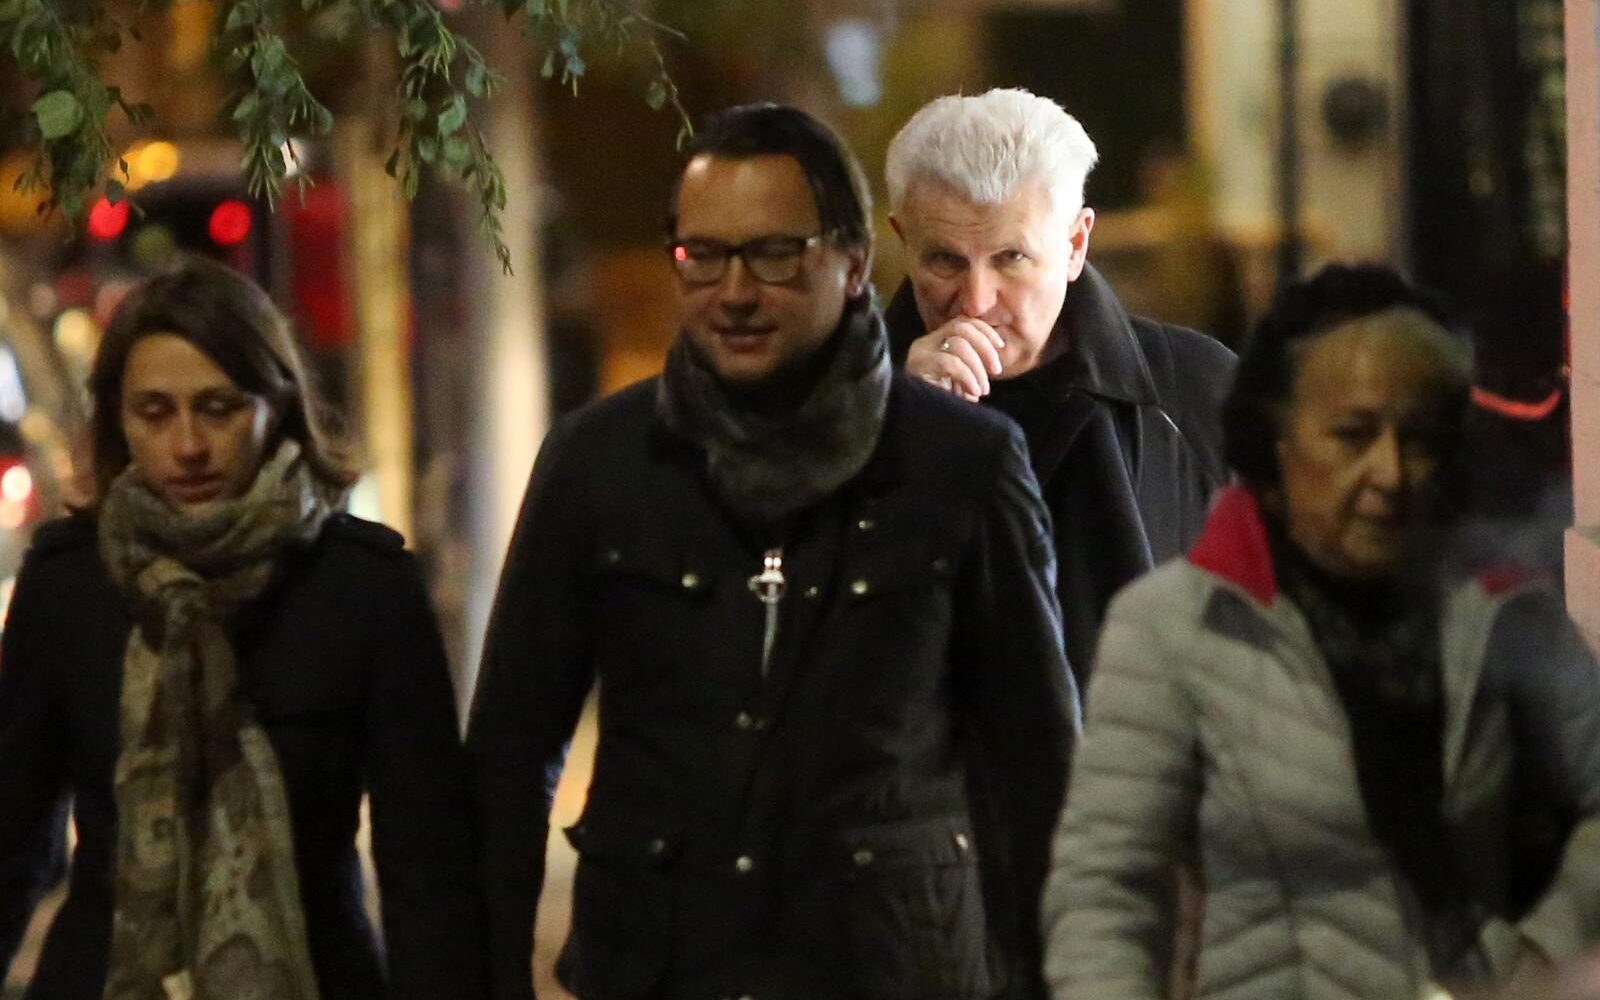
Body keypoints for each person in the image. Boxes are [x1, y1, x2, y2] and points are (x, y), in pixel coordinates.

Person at [468, 104, 1077, 1000]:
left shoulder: (960, 466)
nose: (736, 291)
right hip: (660, 971)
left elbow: (1040, 773)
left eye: (775, 255)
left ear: (854, 262)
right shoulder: (599, 465)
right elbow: (508, 760)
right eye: (702, 256)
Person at [1041, 264, 1600, 999]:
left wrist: (1512, 962)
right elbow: (1105, 881)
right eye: (1350, 434)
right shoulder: (1170, 628)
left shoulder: (1501, 616)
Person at [0, 260, 486, 1000]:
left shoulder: (362, 588)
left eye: (219, 408)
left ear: (276, 407)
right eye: (154, 413)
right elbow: (12, 835)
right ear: (118, 420)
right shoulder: (71, 586)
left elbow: (427, 867)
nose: (188, 445)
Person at [883, 87, 1238, 679]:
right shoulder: (841, 404)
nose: (977, 300)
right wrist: (893, 422)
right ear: (904, 243)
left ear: (1076, 245)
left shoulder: (1196, 392)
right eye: (945, 261)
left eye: (1010, 258)